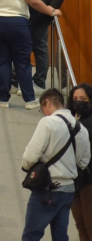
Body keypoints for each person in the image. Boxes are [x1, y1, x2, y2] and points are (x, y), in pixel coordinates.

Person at [21, 88, 91, 241]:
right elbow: (84, 162)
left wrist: (26, 167)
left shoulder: (48, 122)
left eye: (42, 108)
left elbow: (31, 155)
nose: (43, 112)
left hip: (48, 187)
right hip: (68, 190)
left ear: (47, 102)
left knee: (31, 235)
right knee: (60, 235)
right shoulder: (81, 128)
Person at [69, 83, 92, 240]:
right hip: (74, 179)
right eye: (75, 98)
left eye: (82, 99)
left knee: (90, 225)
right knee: (80, 225)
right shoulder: (72, 121)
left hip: (89, 179)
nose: (78, 102)